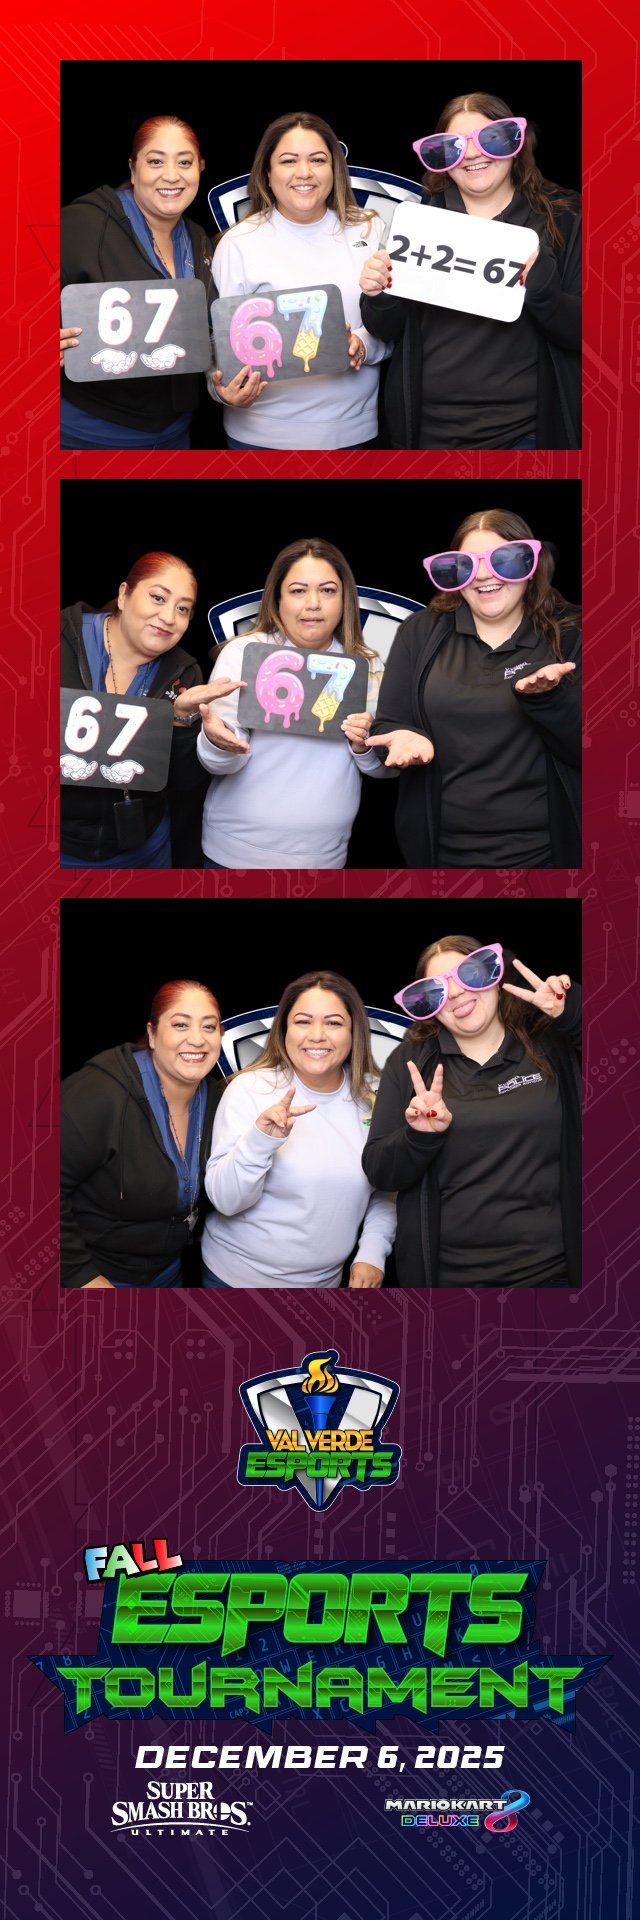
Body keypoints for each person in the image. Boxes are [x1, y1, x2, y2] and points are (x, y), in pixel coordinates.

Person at [359, 92, 581, 449]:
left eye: (490, 139)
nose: (474, 154)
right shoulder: (418, 223)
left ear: (513, 143)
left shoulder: (564, 219)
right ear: (442, 159)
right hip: (426, 431)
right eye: (454, 147)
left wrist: (545, 294)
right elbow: (385, 328)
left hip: (524, 433)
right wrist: (378, 293)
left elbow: (594, 334)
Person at [362, 934, 580, 1288]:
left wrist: (570, 1011)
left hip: (554, 1272)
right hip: (449, 1279)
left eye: (470, 975)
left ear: (495, 976)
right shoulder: (410, 1063)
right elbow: (381, 1173)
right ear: (429, 1006)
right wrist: (419, 1137)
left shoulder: (548, 1044)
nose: (458, 993)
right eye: (438, 990)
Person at [369, 509, 581, 868]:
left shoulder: (574, 632)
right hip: (440, 854)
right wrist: (401, 736)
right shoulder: (419, 631)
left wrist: (548, 699)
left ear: (531, 566)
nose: (483, 575)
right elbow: (389, 723)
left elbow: (599, 752)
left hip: (548, 855)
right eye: (466, 564)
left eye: (504, 561)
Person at [196, 538, 391, 868]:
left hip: (325, 859)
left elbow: (384, 770)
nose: (313, 603)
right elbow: (219, 763)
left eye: (328, 590)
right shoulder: (243, 653)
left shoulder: (368, 667)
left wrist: (364, 746)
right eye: (298, 590)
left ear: (345, 599)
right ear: (278, 598)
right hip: (232, 854)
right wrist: (219, 743)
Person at [201, 972, 396, 1288]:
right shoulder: (250, 1089)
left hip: (324, 1287)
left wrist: (373, 1253)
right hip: (232, 1283)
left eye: (333, 1023)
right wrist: (261, 1140)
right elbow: (226, 1201)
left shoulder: (374, 1100)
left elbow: (385, 1189)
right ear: (284, 1030)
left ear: (354, 1032)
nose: (317, 1035)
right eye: (303, 1021)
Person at [209, 111, 389, 450]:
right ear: (267, 172)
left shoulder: (371, 230)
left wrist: (364, 345)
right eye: (288, 161)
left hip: (355, 433)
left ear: (334, 169)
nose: (304, 173)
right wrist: (221, 390)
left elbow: (397, 326)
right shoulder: (238, 244)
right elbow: (218, 348)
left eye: (318, 160)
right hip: (260, 439)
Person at [61, 551, 242, 868]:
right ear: (123, 595)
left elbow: (184, 783)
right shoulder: (52, 642)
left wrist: (182, 720)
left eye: (182, 608)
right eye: (158, 598)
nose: (170, 617)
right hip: (55, 847)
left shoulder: (185, 675)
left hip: (144, 849)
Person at [60, 116, 215, 449]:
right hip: (90, 435)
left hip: (175, 432)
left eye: (184, 162)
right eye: (155, 161)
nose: (171, 175)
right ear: (133, 169)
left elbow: (206, 334)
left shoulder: (200, 239)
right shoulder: (80, 224)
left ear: (200, 168)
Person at [61, 982, 225, 1288]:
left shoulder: (218, 1098)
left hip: (166, 1272)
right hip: (97, 1274)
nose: (197, 1039)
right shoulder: (97, 1095)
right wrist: (79, 1276)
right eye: (180, 1025)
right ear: (152, 1034)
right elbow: (30, 1189)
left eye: (209, 1027)